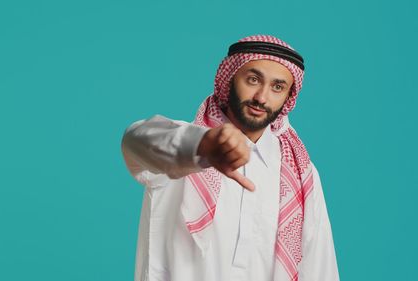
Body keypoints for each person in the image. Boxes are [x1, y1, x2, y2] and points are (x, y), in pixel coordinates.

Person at [121, 35, 339, 281]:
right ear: (230, 79)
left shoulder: (299, 174)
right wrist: (202, 146)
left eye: (277, 87)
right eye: (253, 79)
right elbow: (135, 140)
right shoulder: (182, 147)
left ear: (288, 97)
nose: (262, 97)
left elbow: (319, 265)